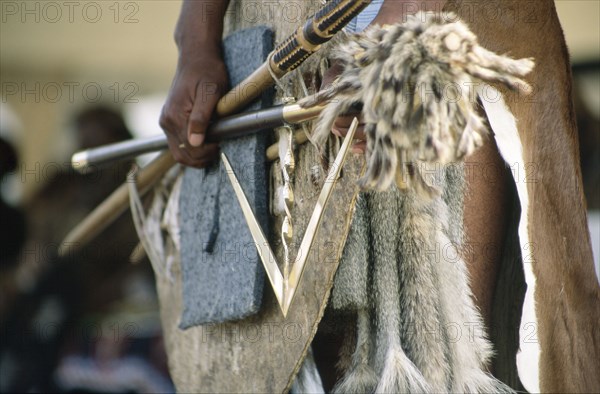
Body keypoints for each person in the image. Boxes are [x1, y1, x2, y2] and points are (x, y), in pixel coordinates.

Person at [159, 1, 600, 392]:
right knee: (314, 363)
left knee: (438, 370)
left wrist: (392, 30)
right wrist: (195, 40)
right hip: (278, 62)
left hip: (430, 53)